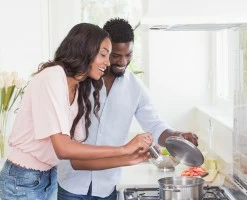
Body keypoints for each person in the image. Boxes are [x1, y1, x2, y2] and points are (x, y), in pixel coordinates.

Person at [0, 23, 153, 200]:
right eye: (103, 54)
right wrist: (124, 149)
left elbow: (77, 161)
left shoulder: (79, 89)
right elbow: (63, 149)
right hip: (22, 179)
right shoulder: (53, 76)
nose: (108, 62)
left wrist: (130, 158)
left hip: (48, 177)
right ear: (84, 50)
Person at [57, 18, 198, 200]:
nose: (123, 61)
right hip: (71, 183)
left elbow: (155, 125)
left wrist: (177, 136)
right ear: (103, 50)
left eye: (128, 55)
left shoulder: (135, 88)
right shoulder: (80, 80)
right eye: (115, 55)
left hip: (107, 186)